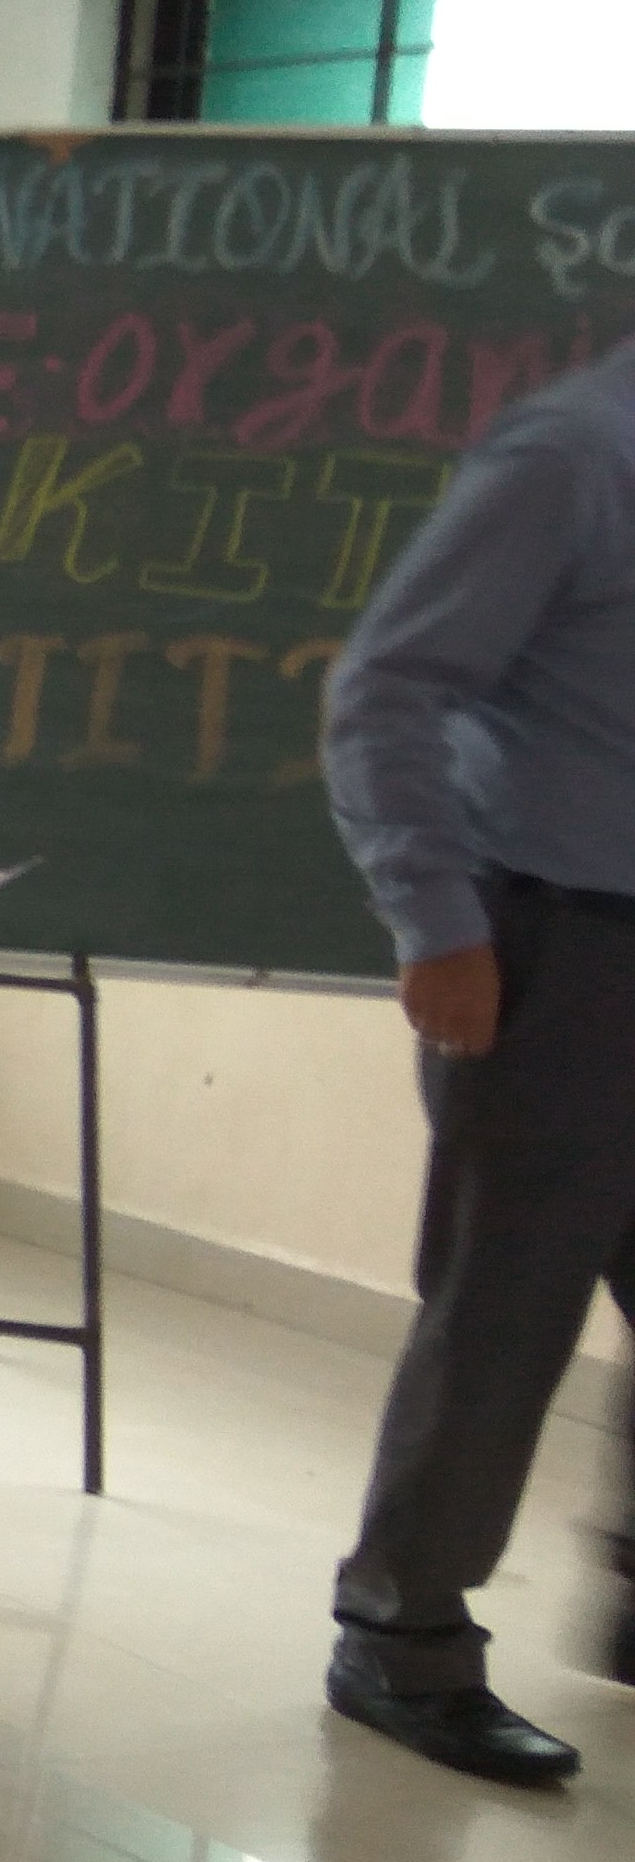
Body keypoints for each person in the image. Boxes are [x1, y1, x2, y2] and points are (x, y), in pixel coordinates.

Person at [309, 336, 635, 1787]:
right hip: (563, 953)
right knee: (505, 1312)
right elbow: (386, 691)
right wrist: (436, 921)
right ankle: (404, 1641)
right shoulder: (573, 456)